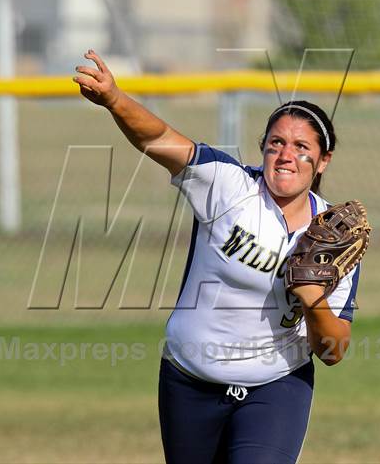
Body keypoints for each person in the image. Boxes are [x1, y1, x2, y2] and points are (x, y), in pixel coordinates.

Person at [73, 50, 360, 464]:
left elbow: (333, 351)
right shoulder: (229, 187)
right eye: (277, 142)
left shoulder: (335, 235)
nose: (285, 155)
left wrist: (312, 295)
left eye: (301, 147)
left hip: (275, 387)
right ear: (263, 148)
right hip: (189, 381)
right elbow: (159, 138)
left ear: (323, 160)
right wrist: (115, 99)